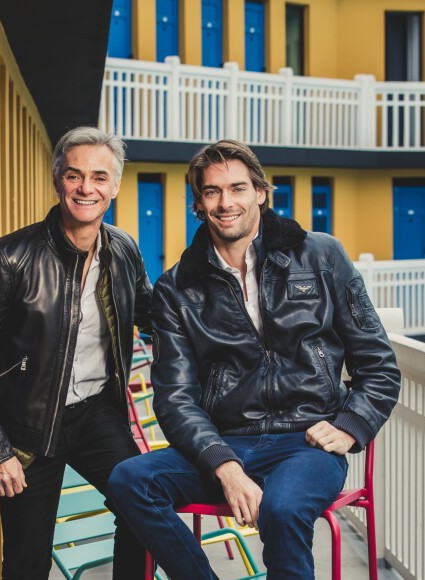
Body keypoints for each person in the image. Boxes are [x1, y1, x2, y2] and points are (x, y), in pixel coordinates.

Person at [106, 139, 400, 579]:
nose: (227, 203)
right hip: (227, 440)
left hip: (307, 441)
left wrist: (349, 426)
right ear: (199, 203)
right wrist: (224, 464)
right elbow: (174, 398)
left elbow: (378, 363)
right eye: (212, 192)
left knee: (281, 510)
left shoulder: (322, 255)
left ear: (260, 192)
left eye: (238, 188)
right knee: (130, 480)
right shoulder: (177, 287)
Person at [0, 126, 152, 579]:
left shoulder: (122, 250)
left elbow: (156, 317)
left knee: (144, 504)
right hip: (28, 425)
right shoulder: (7, 258)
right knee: (27, 558)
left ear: (116, 186)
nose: (87, 188)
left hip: (97, 413)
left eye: (100, 177)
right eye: (74, 175)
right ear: (57, 180)